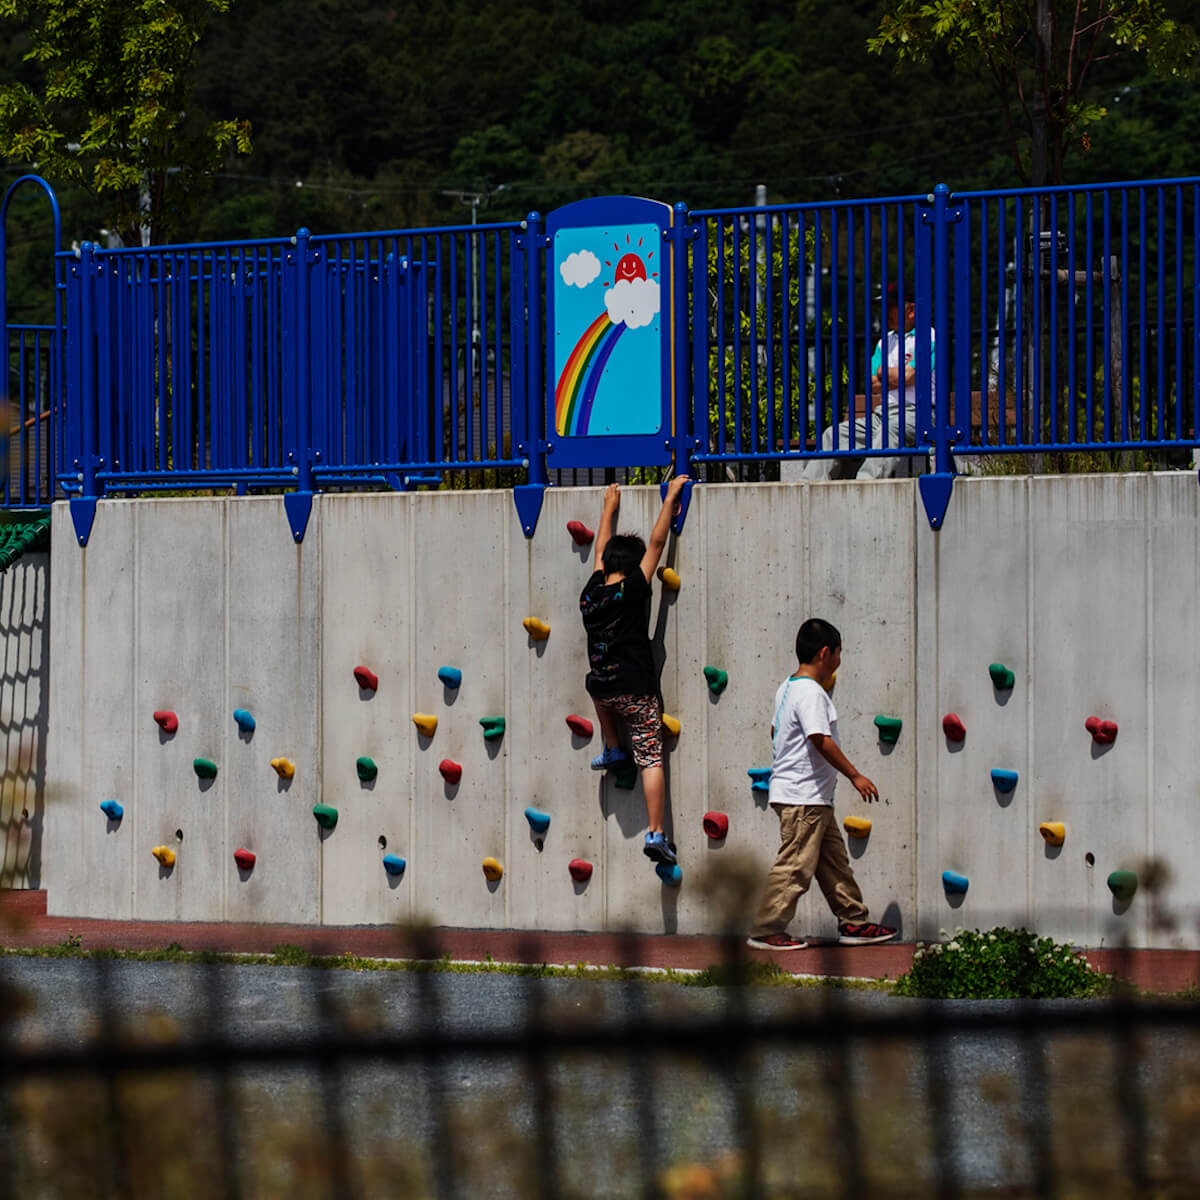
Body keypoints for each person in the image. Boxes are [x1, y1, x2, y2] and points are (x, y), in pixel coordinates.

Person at [746, 618, 898, 950]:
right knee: (796, 866)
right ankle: (767, 929)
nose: (839, 661)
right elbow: (820, 739)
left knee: (833, 864)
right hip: (804, 797)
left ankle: (853, 921)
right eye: (839, 653)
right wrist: (855, 775)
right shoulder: (812, 692)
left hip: (810, 796)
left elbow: (776, 732)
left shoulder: (786, 688)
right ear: (825, 653)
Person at [580, 476, 689, 868]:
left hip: (603, 687)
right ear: (632, 566)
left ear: (608, 565)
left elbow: (598, 554)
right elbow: (658, 544)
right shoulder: (634, 590)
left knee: (596, 687)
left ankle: (611, 746)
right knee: (650, 758)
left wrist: (609, 507)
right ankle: (656, 832)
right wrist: (671, 498)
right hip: (637, 692)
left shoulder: (591, 594)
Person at [802, 281, 933, 480]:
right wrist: (893, 376)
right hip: (882, 414)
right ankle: (807, 488)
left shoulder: (929, 337)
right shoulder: (884, 342)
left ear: (911, 310)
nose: (885, 312)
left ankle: (865, 485)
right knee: (834, 434)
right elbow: (874, 383)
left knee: (891, 429)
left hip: (918, 414)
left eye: (891, 306)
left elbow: (909, 375)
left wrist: (887, 374)